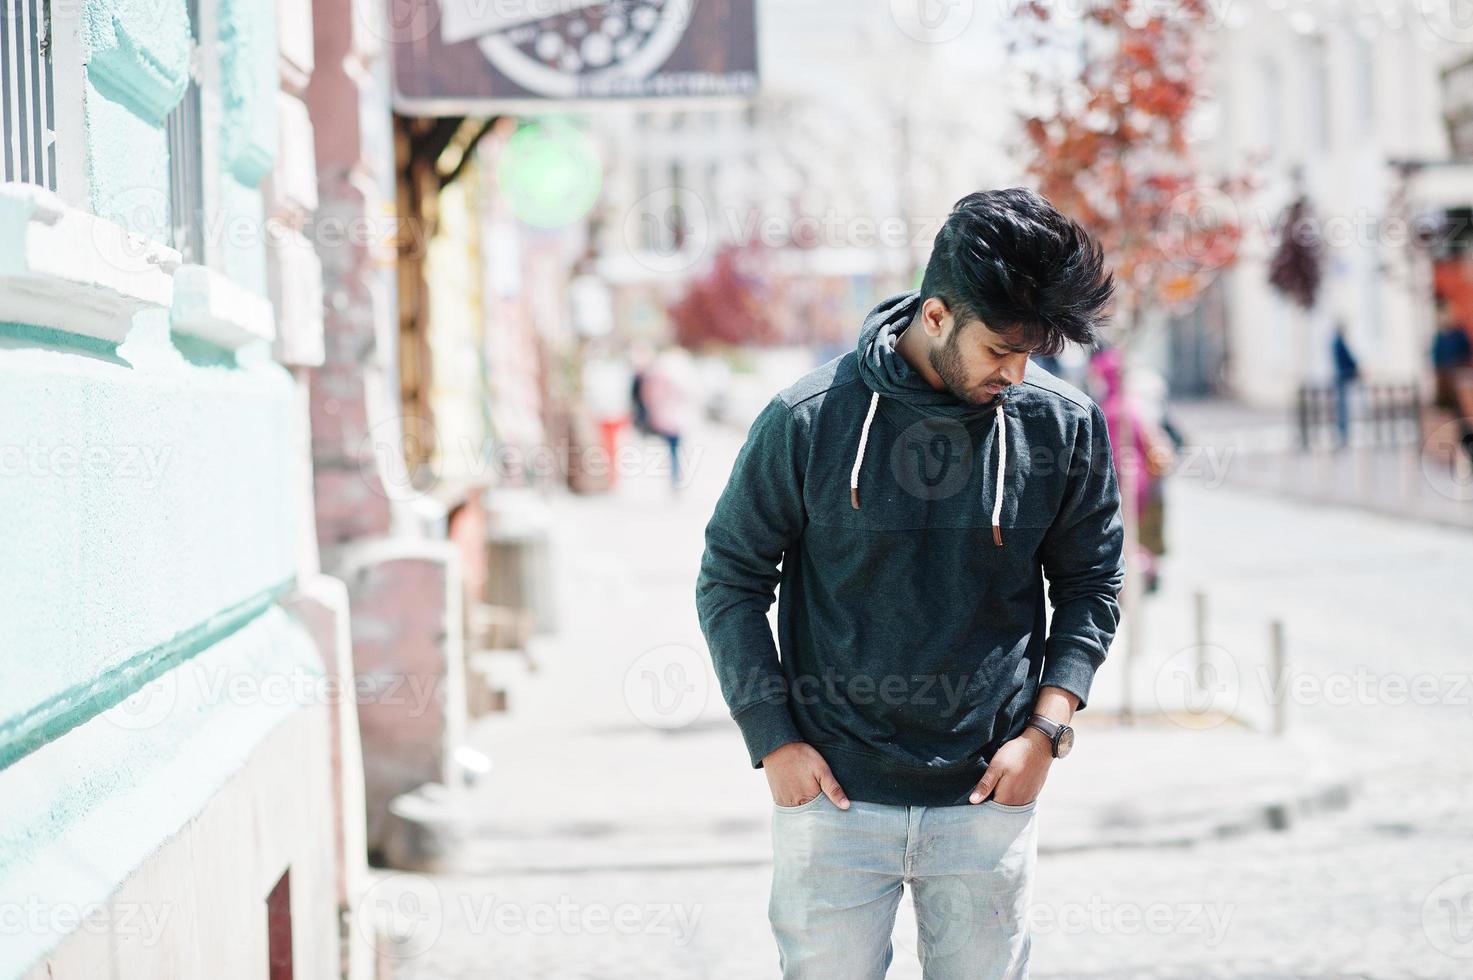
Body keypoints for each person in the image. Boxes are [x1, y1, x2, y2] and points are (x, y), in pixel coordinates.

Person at [695, 188, 1124, 979]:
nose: (1016, 373)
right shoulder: (808, 420)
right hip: (834, 799)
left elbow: (1092, 582)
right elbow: (730, 577)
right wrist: (773, 740)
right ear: (934, 317)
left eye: (1030, 354)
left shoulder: (1060, 426)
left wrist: (1046, 731)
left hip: (987, 796)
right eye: (999, 350)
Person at [640, 344, 698, 493]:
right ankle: (675, 476)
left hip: (669, 418)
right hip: (674, 419)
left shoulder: (660, 375)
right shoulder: (676, 376)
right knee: (674, 448)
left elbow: (650, 396)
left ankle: (674, 476)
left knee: (673, 449)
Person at [1330, 323, 1359, 449]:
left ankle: (1342, 433)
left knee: (1341, 407)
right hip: (1343, 377)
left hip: (1341, 377)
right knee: (1342, 408)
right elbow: (1348, 358)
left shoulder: (1335, 342)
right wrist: (1355, 368)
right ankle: (1343, 434)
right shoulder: (1339, 342)